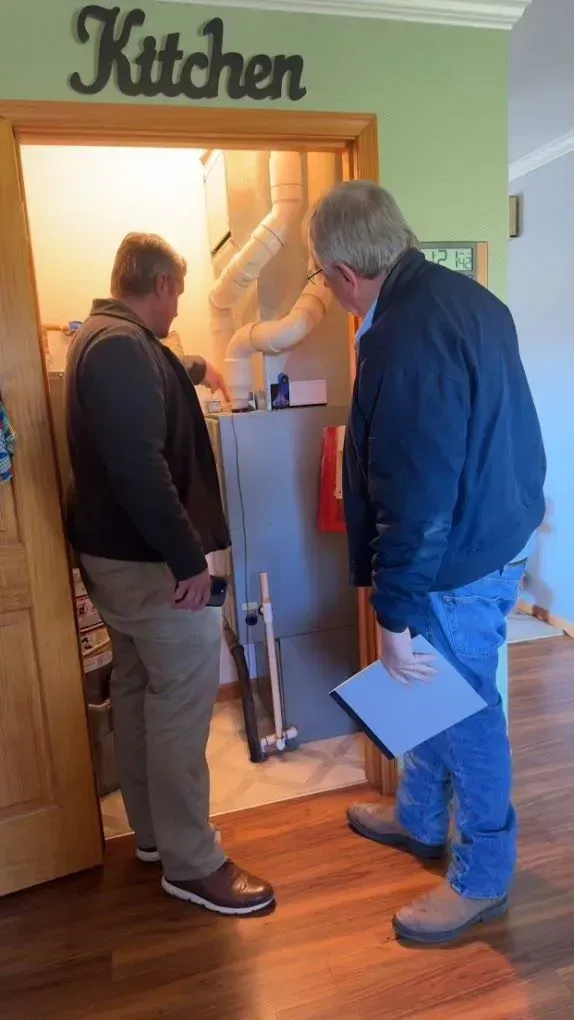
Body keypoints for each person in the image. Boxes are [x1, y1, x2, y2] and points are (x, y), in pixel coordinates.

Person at [309, 183, 546, 945]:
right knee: (438, 694)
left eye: (320, 276)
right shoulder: (469, 300)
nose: (326, 288)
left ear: (345, 272)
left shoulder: (404, 337)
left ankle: (482, 875)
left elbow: (418, 490)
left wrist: (396, 614)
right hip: (493, 537)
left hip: (456, 557)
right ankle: (418, 816)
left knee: (465, 707)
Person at [66, 232, 275, 916]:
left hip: (114, 561)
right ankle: (194, 863)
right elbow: (138, 466)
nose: (178, 305)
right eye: (177, 293)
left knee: (136, 687)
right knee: (183, 703)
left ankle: (153, 836)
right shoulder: (122, 348)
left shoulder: (100, 338)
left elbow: (145, 387)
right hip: (148, 564)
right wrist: (190, 561)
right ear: (160, 287)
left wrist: (193, 367)